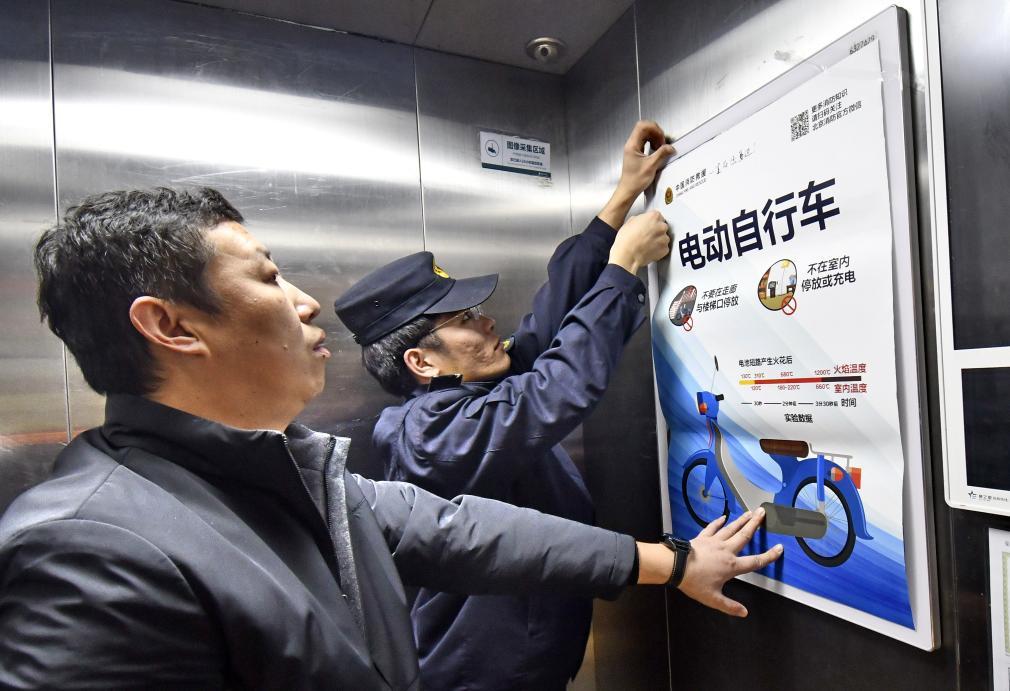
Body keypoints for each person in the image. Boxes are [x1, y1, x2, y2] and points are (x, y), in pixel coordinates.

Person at [0, 187, 782, 689]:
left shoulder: (296, 475)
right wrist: (620, 268)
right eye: (268, 277)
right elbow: (554, 385)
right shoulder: (87, 548)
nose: (305, 303)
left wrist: (609, 214)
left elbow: (466, 531)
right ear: (171, 326)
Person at [333, 122, 698, 690]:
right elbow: (557, 386)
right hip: (482, 677)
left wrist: (621, 200)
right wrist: (623, 267)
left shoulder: (467, 397)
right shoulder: (432, 435)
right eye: (464, 320)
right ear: (421, 361)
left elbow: (548, 321)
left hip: (524, 661)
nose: (487, 322)